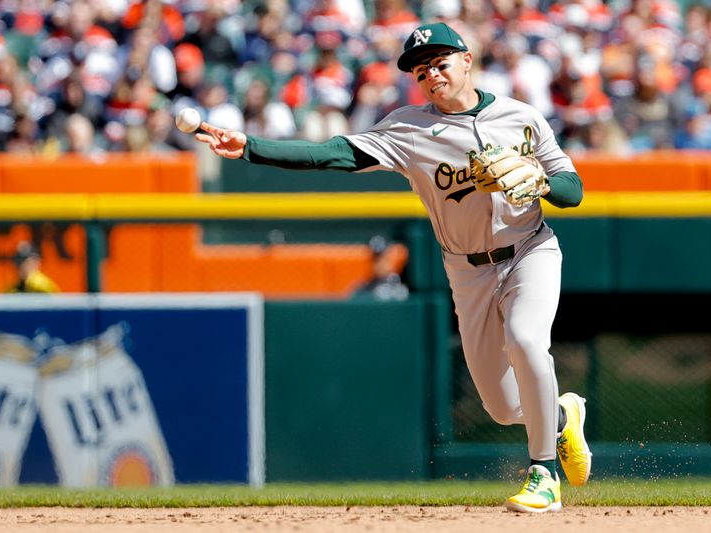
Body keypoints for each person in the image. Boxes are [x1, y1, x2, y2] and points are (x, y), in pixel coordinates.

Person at [195, 22, 590, 514]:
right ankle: (560, 415)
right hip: (466, 271)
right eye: (422, 70)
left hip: (530, 251)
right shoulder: (408, 127)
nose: (432, 74)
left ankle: (542, 473)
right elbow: (333, 154)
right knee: (505, 406)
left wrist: (542, 182)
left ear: (467, 61)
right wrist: (251, 146)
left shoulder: (520, 117)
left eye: (441, 62)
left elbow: (573, 192)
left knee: (528, 340)